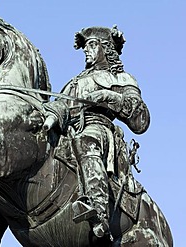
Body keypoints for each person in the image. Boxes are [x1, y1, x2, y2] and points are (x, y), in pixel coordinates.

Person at [58, 25, 150, 238]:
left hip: (98, 128)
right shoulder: (74, 82)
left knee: (86, 140)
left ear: (106, 48)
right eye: (85, 47)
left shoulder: (121, 78)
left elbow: (141, 120)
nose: (86, 51)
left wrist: (108, 97)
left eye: (91, 45)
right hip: (67, 130)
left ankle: (99, 210)